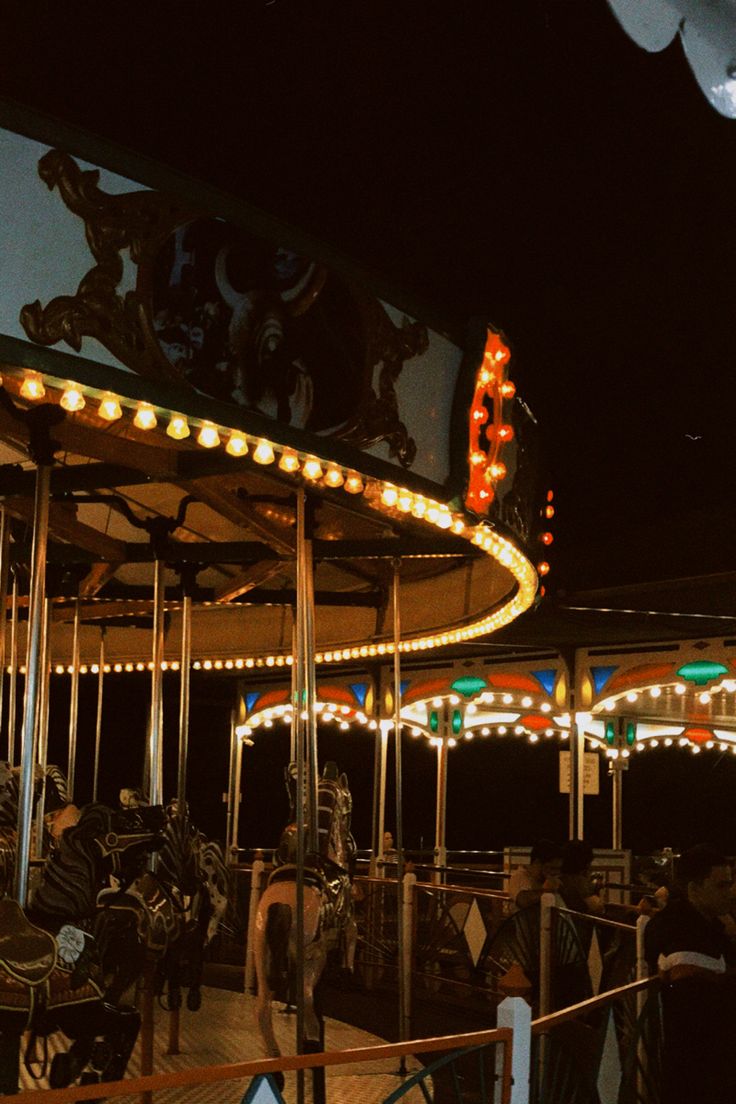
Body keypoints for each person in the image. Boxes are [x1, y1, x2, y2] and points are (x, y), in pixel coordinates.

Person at [644, 844, 736, 1104]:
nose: (730, 894)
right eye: (722, 886)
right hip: (702, 1070)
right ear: (694, 889)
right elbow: (699, 1002)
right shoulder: (685, 935)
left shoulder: (688, 923)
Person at [506, 839, 563, 913]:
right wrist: (547, 890)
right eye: (552, 868)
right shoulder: (519, 876)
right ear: (537, 863)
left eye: (558, 869)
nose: (556, 872)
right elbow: (523, 901)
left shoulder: (548, 879)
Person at [559, 839, 605, 915]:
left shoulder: (559, 878)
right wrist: (597, 890)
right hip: (580, 923)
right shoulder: (579, 882)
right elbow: (597, 908)